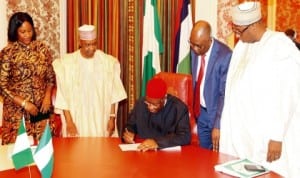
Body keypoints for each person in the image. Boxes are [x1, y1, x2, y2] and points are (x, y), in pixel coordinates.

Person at [219, 1, 300, 177]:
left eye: (240, 31)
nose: (238, 36)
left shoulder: (281, 46)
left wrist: (277, 137)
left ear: (254, 25)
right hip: (244, 136)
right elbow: (232, 90)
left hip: (269, 138)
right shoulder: (242, 47)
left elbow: (289, 94)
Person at [53, 24, 127, 137]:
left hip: (100, 119)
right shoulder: (66, 64)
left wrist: (112, 117)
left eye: (94, 44)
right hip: (77, 120)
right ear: (80, 43)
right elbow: (63, 97)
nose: (91, 48)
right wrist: (69, 122)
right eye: (87, 45)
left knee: (100, 151)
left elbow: (113, 93)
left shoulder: (107, 62)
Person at [0, 12, 56, 145]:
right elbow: (2, 86)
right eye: (22, 32)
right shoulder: (8, 53)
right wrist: (25, 103)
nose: (27, 35)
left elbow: (50, 77)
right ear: (15, 32)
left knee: (43, 152)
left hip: (41, 109)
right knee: (21, 157)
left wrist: (47, 97)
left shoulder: (42, 49)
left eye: (30, 31)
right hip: (17, 113)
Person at [189, 20, 232, 150]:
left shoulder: (225, 56)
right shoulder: (195, 49)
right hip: (200, 112)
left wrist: (218, 125)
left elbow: (224, 94)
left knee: (217, 156)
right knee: (203, 156)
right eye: (192, 44)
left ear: (209, 40)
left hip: (215, 114)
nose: (195, 49)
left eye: (198, 46)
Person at [122, 78, 191, 152]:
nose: (150, 107)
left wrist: (157, 142)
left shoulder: (179, 108)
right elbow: (130, 125)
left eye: (155, 104)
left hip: (167, 155)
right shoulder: (140, 103)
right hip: (142, 151)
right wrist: (128, 133)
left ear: (164, 98)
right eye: (148, 103)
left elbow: (184, 136)